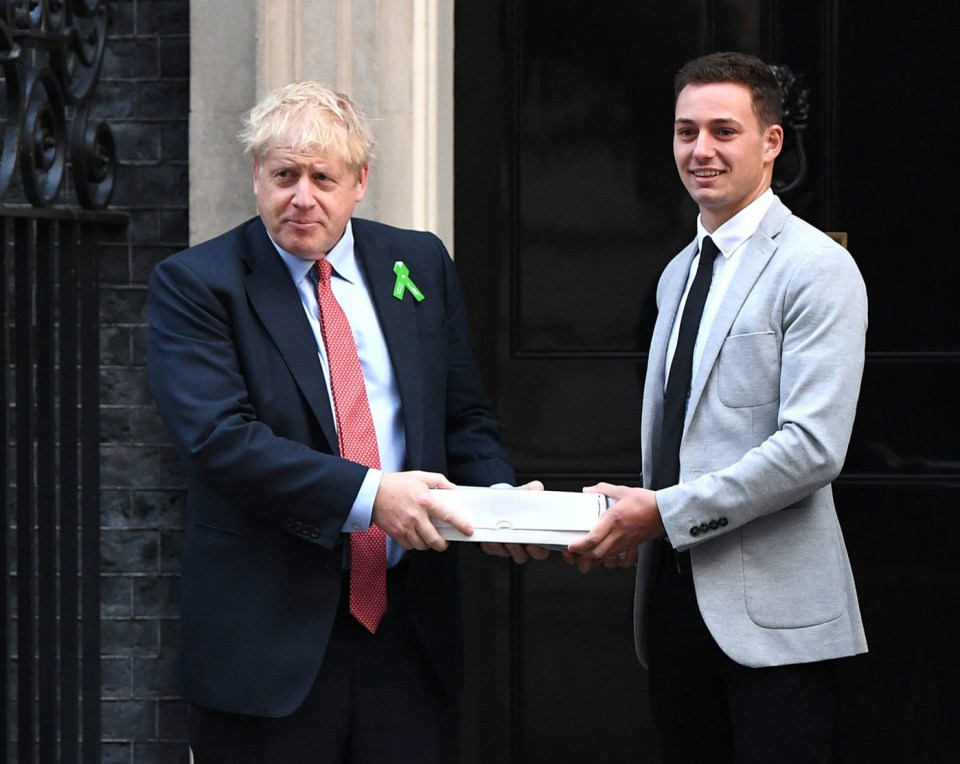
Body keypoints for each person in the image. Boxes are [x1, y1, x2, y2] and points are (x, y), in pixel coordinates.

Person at [147, 80, 529, 763]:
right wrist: (373, 495)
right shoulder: (197, 283)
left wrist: (498, 503)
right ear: (255, 176)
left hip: (409, 635)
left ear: (360, 181)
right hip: (269, 641)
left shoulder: (418, 264)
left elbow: (462, 414)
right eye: (284, 175)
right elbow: (220, 440)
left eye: (324, 177)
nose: (303, 197)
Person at [565, 51, 868, 763]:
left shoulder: (817, 267)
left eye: (723, 131)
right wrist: (638, 510)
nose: (700, 150)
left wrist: (664, 512)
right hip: (671, 608)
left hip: (778, 625)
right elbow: (695, 437)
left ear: (771, 143)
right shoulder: (677, 274)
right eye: (685, 131)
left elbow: (813, 448)